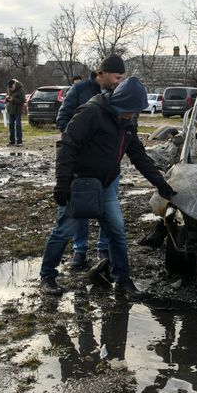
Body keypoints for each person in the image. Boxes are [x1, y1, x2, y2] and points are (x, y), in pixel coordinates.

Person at [39, 76, 176, 300]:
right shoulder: (92, 112)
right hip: (79, 183)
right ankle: (47, 277)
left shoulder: (127, 123)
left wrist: (161, 184)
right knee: (64, 230)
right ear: (120, 103)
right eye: (131, 110)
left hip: (106, 185)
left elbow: (139, 156)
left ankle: (123, 280)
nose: (133, 115)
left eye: (135, 112)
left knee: (117, 232)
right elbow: (66, 144)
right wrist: (62, 182)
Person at [55, 54, 126, 269]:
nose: (119, 82)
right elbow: (62, 121)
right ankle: (80, 250)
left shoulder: (118, 93)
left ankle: (103, 248)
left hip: (108, 165)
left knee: (107, 206)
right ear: (101, 73)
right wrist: (87, 139)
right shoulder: (79, 90)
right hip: (83, 164)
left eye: (122, 78)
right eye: (116, 77)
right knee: (80, 207)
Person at [5, 78, 26, 146]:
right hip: (11, 110)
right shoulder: (9, 89)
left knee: (18, 125)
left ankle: (19, 141)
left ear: (14, 84)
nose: (11, 89)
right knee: (11, 125)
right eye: (10, 88)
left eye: (12, 88)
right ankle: (12, 141)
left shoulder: (21, 90)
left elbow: (23, 100)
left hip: (17, 110)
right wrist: (7, 99)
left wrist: (13, 100)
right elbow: (8, 97)